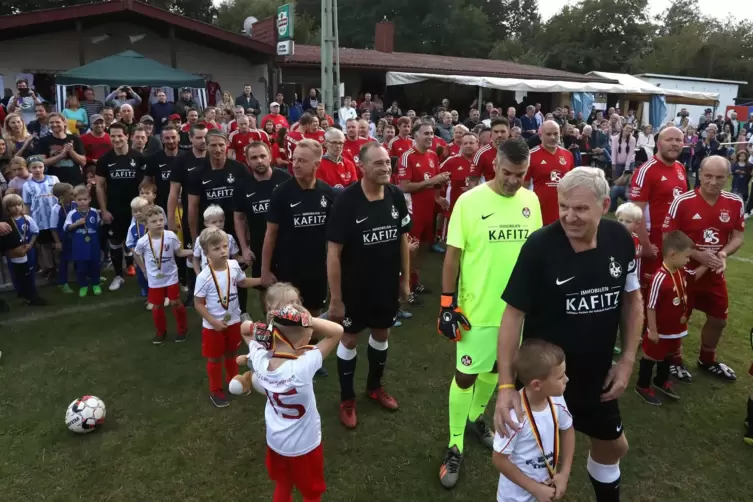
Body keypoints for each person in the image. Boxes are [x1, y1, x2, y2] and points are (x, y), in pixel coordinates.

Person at [496, 167, 643, 502]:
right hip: (544, 381)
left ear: (604, 204)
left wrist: (627, 360)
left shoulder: (621, 240)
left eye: (580, 208)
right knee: (535, 465)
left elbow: (632, 300)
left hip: (597, 376)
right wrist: (506, 386)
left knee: (614, 446)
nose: (569, 216)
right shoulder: (540, 247)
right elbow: (512, 315)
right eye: (564, 206)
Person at [437, 138, 542, 489]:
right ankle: (454, 443)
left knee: (499, 371)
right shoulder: (469, 202)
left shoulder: (531, 200)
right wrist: (447, 304)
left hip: (517, 312)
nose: (514, 181)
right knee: (466, 375)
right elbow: (452, 256)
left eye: (521, 174)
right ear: (495, 165)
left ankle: (475, 418)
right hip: (477, 311)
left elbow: (535, 252)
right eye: (508, 173)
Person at [326, 143, 412, 429]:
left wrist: (405, 280)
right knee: (349, 339)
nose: (386, 167)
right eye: (378, 163)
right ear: (362, 167)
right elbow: (333, 252)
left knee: (382, 333)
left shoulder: (396, 196)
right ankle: (347, 399)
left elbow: (402, 239)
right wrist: (336, 299)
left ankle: (374, 387)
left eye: (388, 162)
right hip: (355, 288)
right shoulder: (347, 201)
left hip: (385, 284)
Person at [242, 304, 343, 501]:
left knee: (283, 484)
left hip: (276, 442)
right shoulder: (303, 367)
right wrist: (307, 319)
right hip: (305, 446)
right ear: (304, 340)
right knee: (311, 492)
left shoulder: (260, 359)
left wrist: (261, 327)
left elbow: (244, 329)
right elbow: (337, 331)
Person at [663, 156, 745, 382]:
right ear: (699, 174)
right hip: (683, 273)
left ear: (728, 178)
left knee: (719, 318)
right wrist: (698, 255)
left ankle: (707, 359)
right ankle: (674, 360)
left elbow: (738, 237)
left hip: (714, 274)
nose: (713, 182)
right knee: (678, 318)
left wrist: (723, 254)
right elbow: (668, 236)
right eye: (708, 176)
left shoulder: (735, 202)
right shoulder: (683, 201)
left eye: (720, 177)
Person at [492, 339, 574, 502]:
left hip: (545, 490)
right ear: (537, 385)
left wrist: (563, 474)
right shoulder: (514, 417)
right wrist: (535, 489)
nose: (567, 379)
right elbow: (499, 459)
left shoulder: (557, 400)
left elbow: (568, 430)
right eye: (560, 377)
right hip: (514, 498)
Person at [262, 139, 334, 317]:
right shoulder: (281, 193)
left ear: (316, 164)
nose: (295, 165)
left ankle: (312, 345)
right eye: (294, 159)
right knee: (287, 317)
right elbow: (270, 234)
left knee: (314, 315)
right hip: (288, 268)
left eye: (302, 161)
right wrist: (265, 270)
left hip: (317, 268)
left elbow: (333, 237)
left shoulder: (327, 193)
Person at [186, 129, 250, 319]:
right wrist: (195, 237)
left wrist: (246, 238)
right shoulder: (197, 172)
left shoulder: (239, 169)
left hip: (234, 230)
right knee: (216, 273)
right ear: (206, 146)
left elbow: (247, 203)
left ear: (226, 145)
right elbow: (192, 207)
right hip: (211, 233)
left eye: (221, 144)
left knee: (237, 273)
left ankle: (242, 311)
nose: (217, 148)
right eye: (213, 145)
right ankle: (215, 311)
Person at [194, 226, 260, 407]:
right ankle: (215, 391)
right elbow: (198, 304)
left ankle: (235, 382)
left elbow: (242, 281)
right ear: (206, 252)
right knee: (215, 358)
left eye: (224, 247)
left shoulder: (233, 265)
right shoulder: (204, 277)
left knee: (232, 352)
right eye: (216, 249)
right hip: (213, 326)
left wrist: (261, 281)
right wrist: (213, 321)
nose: (223, 251)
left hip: (234, 321)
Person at [635, 230, 697, 405]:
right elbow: (651, 306)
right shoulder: (660, 278)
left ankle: (661, 380)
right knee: (651, 356)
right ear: (672, 254)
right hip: (659, 331)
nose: (688, 260)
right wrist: (653, 330)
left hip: (674, 329)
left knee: (669, 354)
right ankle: (642, 385)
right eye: (686, 257)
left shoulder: (679, 272)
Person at [233, 141, 291, 312]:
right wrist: (244, 248)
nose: (259, 161)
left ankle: (293, 328)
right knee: (265, 288)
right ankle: (270, 324)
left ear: (270, 157)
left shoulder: (285, 179)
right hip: (260, 246)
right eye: (254, 158)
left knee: (289, 290)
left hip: (287, 245)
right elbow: (239, 219)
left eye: (262, 156)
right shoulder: (242, 186)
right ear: (247, 161)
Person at [629, 127, 687, 293]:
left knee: (667, 289)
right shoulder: (646, 170)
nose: (674, 144)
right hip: (651, 240)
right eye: (669, 140)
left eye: (678, 140)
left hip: (673, 240)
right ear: (658, 143)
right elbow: (635, 213)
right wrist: (646, 245)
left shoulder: (680, 168)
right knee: (646, 291)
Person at [398, 118, 449, 302]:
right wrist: (433, 181)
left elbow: (434, 181)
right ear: (415, 135)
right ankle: (405, 289)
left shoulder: (432, 155)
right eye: (426, 133)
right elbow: (404, 186)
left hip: (429, 210)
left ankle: (415, 281)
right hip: (413, 211)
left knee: (423, 249)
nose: (430, 137)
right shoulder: (407, 156)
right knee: (410, 250)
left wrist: (438, 197)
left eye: (432, 133)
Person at [95, 122, 149, 291]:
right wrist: (104, 210)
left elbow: (147, 184)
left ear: (127, 136)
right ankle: (119, 276)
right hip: (115, 209)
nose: (116, 139)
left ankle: (146, 276)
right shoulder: (105, 160)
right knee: (116, 242)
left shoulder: (139, 158)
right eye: (113, 136)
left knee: (142, 243)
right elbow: (99, 186)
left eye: (120, 135)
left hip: (138, 211)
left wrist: (146, 207)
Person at [134, 205, 192, 344]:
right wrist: (144, 270)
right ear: (146, 224)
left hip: (171, 276)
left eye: (161, 220)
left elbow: (179, 253)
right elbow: (136, 254)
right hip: (155, 279)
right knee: (157, 305)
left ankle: (183, 329)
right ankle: (161, 331)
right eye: (154, 221)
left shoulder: (170, 236)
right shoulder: (143, 241)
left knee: (175, 302)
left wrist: (194, 252)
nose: (159, 223)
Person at [526, 121, 574, 226]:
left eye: (556, 134)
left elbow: (571, 185)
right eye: (548, 134)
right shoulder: (530, 156)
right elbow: (524, 187)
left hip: (563, 212)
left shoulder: (568, 155)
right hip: (539, 211)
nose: (552, 137)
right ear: (540, 135)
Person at [3, 193, 44, 304]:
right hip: (14, 251)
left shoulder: (27, 219)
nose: (17, 207)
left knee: (29, 270)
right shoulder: (7, 222)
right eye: (13, 206)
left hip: (28, 249)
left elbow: (35, 232)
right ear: (6, 208)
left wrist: (31, 244)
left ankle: (31, 290)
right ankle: (20, 291)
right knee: (15, 272)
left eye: (19, 205)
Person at [22, 156, 59, 279]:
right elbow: (27, 204)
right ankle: (50, 267)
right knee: (44, 245)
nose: (37, 170)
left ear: (44, 167)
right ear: (29, 169)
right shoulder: (27, 186)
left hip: (55, 219)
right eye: (34, 167)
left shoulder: (53, 179)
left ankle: (59, 264)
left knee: (57, 243)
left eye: (40, 167)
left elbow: (61, 196)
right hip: (40, 221)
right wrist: (27, 220)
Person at [63, 185, 102, 297]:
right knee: (81, 267)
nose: (82, 202)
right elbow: (66, 228)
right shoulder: (72, 214)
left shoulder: (94, 212)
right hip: (79, 245)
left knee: (95, 265)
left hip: (93, 244)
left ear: (89, 199)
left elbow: (98, 225)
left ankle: (96, 284)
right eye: (79, 200)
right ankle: (83, 285)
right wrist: (76, 224)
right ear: (75, 200)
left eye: (85, 199)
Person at [34, 112, 86, 185]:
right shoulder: (43, 141)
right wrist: (61, 156)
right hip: (54, 183)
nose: (54, 124)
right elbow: (42, 163)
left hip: (76, 181)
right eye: (51, 122)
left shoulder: (75, 139)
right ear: (48, 125)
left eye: (57, 122)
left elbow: (83, 162)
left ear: (64, 123)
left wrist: (71, 151)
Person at [439, 132, 479, 216]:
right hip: (455, 208)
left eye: (471, 143)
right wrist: (437, 197)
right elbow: (437, 179)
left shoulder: (482, 161)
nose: (468, 145)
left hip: (477, 207)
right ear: (461, 145)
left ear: (477, 144)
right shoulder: (451, 161)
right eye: (465, 143)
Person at [192, 205, 241, 272]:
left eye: (221, 221)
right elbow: (195, 259)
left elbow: (236, 257)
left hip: (226, 275)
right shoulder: (200, 239)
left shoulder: (229, 238)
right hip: (207, 277)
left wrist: (247, 258)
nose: (218, 224)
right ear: (206, 224)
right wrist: (198, 274)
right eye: (214, 222)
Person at [145, 125, 180, 211]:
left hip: (182, 205)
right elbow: (147, 182)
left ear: (178, 138)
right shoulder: (153, 158)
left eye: (173, 137)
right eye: (167, 138)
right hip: (161, 206)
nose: (171, 141)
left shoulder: (186, 157)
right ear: (162, 139)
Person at [50, 182, 75, 293]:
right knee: (64, 260)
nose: (73, 195)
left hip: (76, 237)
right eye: (70, 194)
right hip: (63, 238)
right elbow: (53, 227)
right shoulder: (56, 209)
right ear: (61, 197)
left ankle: (87, 275)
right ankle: (62, 282)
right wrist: (57, 242)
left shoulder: (74, 204)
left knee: (81, 256)